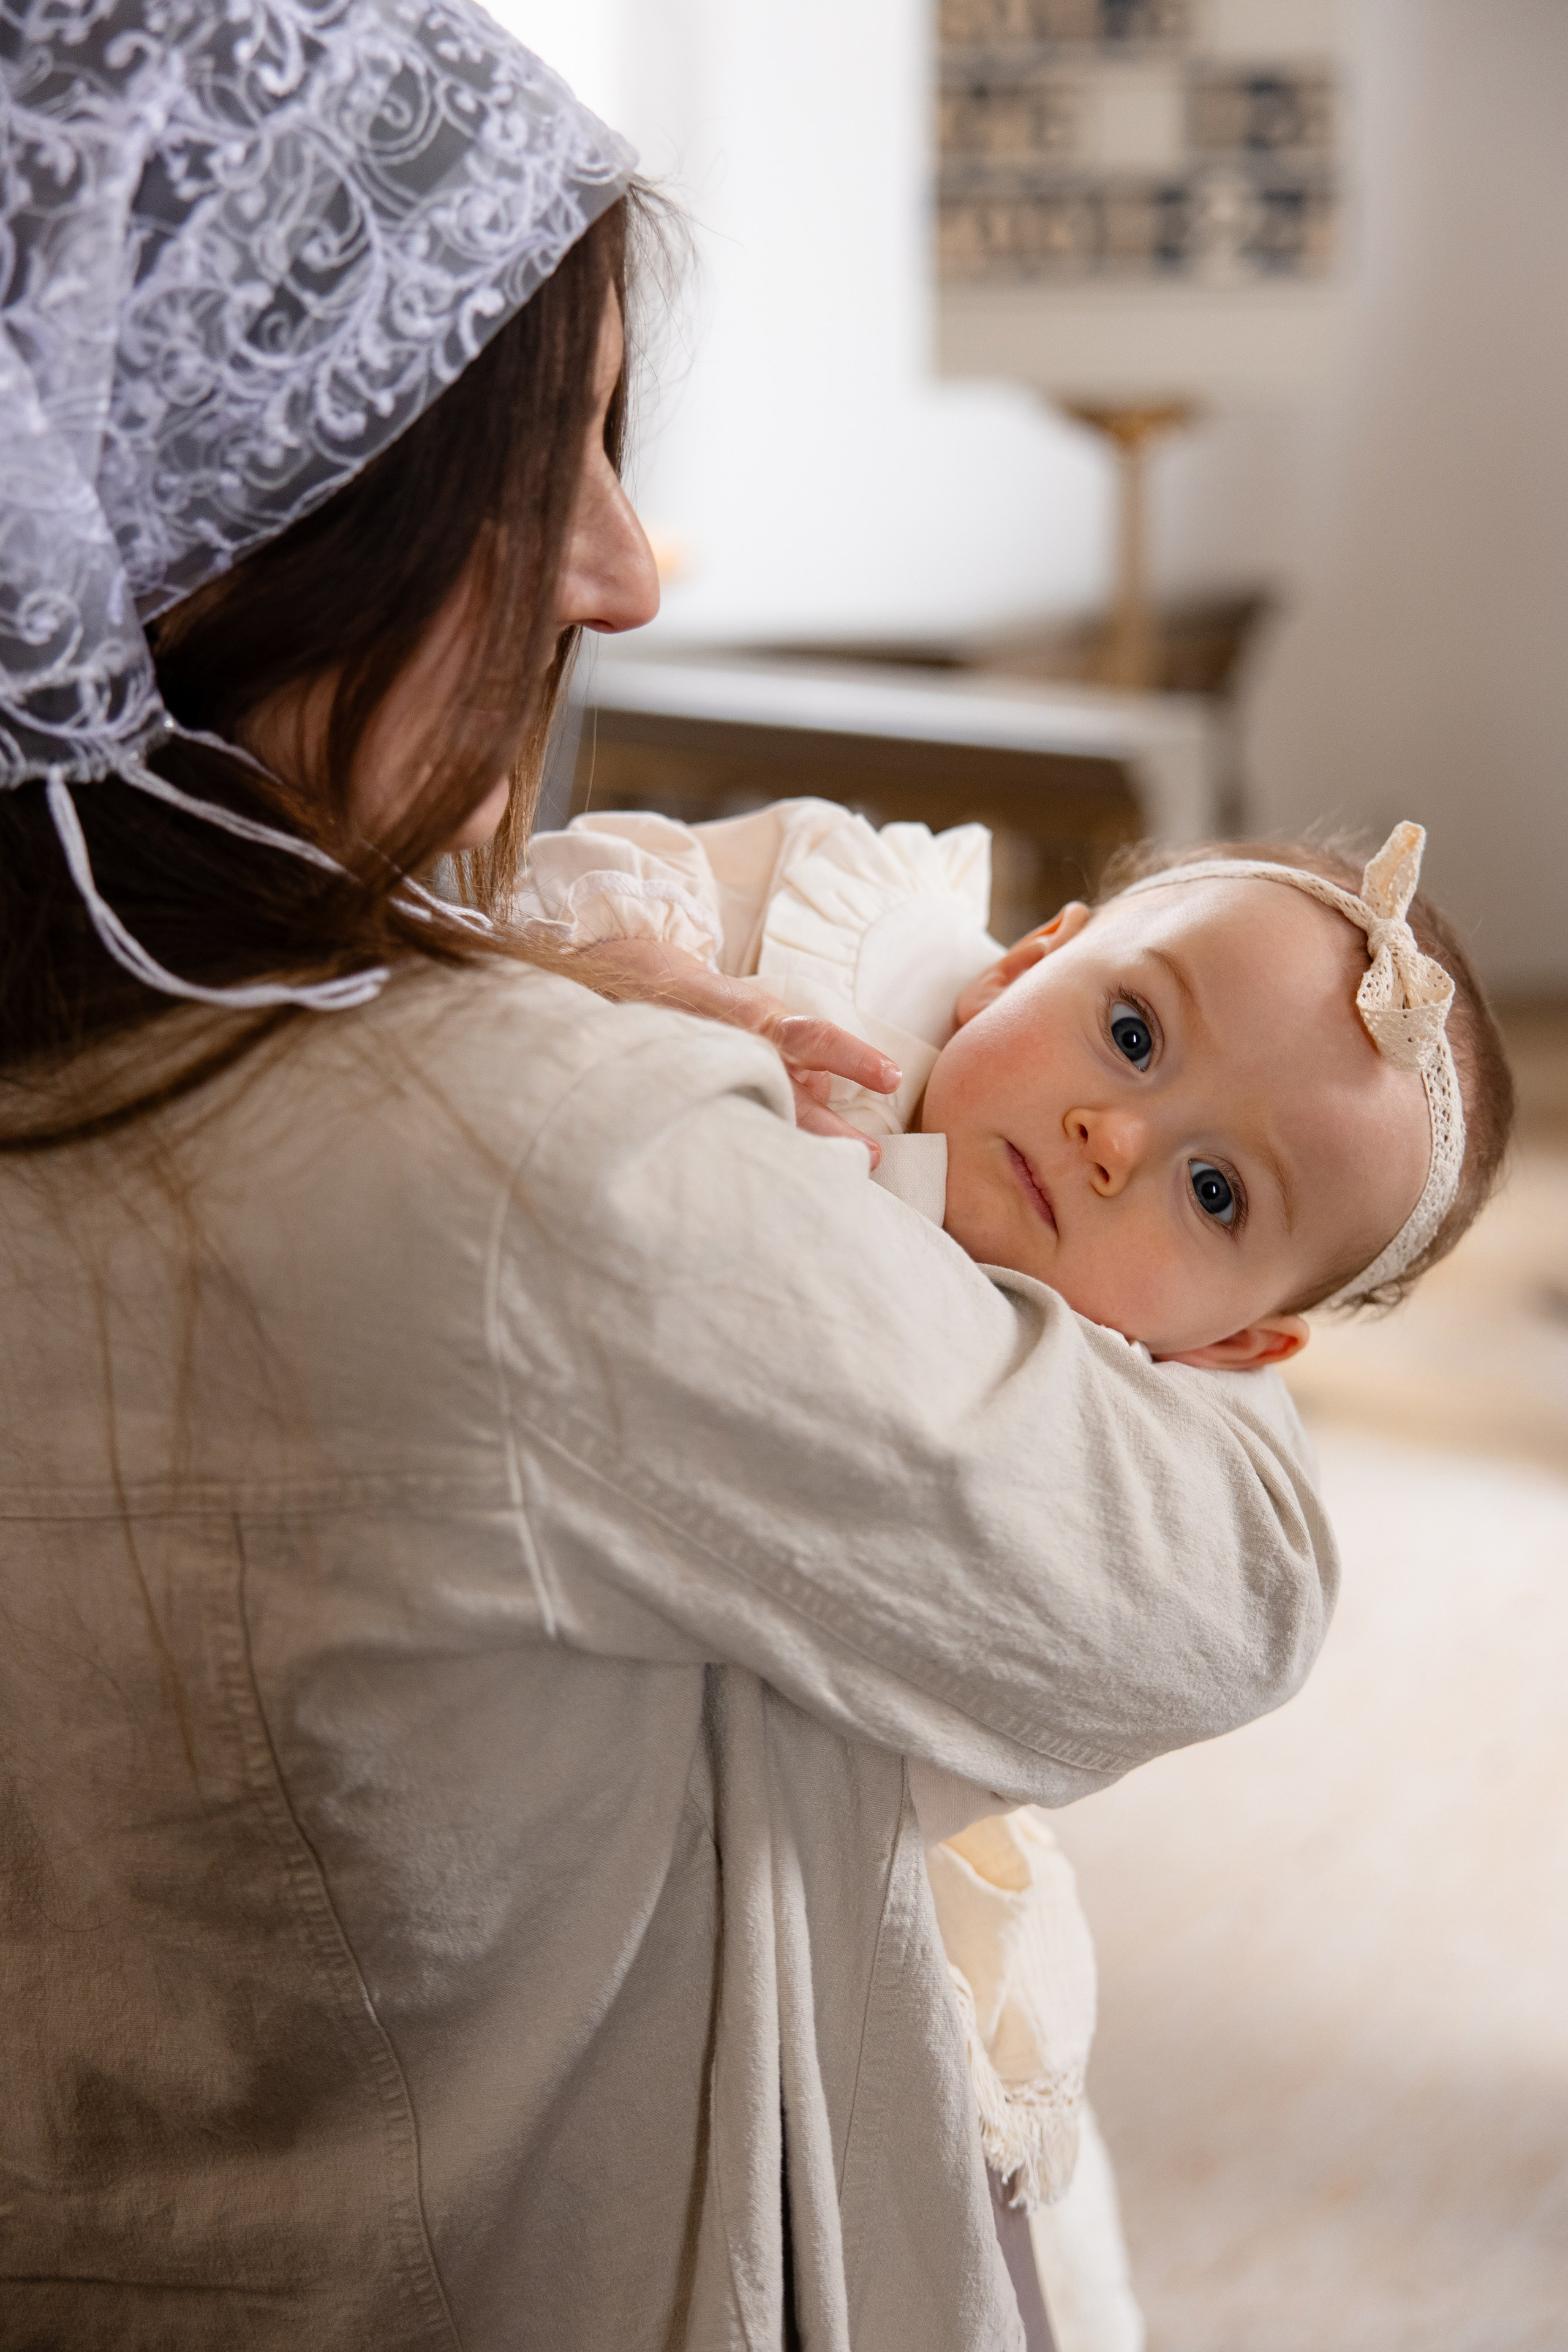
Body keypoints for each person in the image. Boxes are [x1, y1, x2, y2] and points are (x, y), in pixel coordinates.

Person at [0, 6, 1341, 2348]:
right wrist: (1182, 1300)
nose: (627, 576)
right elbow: (1228, 1575)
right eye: (555, 468)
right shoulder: (559, 1169)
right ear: (246, 538)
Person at [509, 795, 1513, 2350]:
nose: (1117, 1140)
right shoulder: (840, 952)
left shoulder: (1100, 1432)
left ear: (1234, 1348)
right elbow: (551, 910)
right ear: (1018, 964)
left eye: (1215, 1193)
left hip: (805, 1887)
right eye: (1127, 1031)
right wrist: (658, 981)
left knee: (920, 2200)